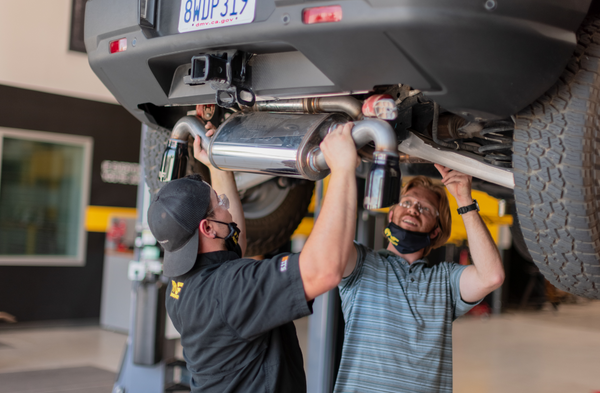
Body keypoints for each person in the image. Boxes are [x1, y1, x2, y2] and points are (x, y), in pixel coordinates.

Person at [147, 123, 358, 392]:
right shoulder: (228, 290)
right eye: (219, 203)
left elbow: (237, 244)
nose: (226, 206)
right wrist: (342, 169)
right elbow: (323, 270)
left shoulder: (179, 287)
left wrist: (216, 164)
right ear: (207, 228)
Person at [333, 165, 505, 393]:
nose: (413, 209)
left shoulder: (445, 281)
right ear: (391, 214)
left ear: (436, 230)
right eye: (406, 203)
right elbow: (330, 251)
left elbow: (491, 276)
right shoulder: (362, 264)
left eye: (425, 208)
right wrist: (342, 168)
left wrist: (464, 200)